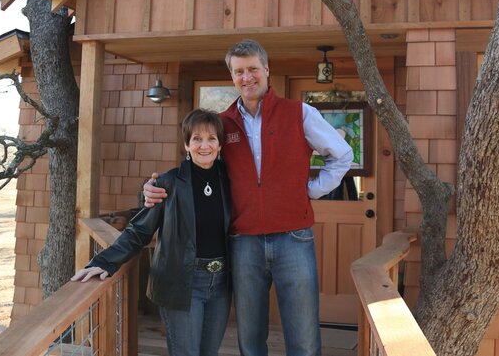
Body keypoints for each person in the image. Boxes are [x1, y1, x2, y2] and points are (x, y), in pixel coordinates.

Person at [143, 39, 353, 356]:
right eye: (239, 71)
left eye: (253, 68)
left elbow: (342, 154)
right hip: (243, 243)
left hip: (293, 237)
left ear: (266, 70)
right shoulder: (223, 123)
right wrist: (153, 188)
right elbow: (201, 170)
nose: (247, 77)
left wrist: (310, 190)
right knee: (250, 341)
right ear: (232, 76)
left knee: (304, 340)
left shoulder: (300, 113)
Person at [72, 109, 232, 356]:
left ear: (220, 144)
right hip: (182, 282)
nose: (204, 145)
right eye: (197, 139)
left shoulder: (230, 181)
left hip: (221, 282)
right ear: (186, 145)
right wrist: (105, 260)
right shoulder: (167, 183)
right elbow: (139, 230)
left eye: (211, 138)